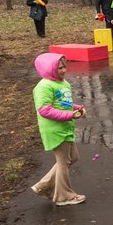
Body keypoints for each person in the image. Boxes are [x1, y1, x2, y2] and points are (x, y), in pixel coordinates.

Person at [30, 53, 87, 206]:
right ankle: (64, 196)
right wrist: (69, 115)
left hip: (66, 127)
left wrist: (78, 109)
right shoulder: (44, 86)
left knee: (73, 157)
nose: (63, 70)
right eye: (59, 67)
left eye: (64, 67)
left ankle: (43, 186)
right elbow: (44, 110)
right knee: (63, 161)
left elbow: (65, 104)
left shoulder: (63, 83)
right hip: (54, 129)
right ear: (49, 68)